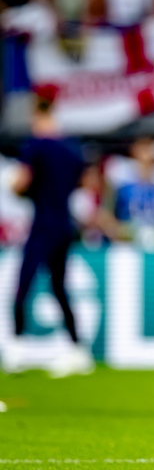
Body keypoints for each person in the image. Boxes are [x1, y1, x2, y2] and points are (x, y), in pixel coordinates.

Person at [2, 86, 95, 378]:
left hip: (43, 223)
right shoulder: (72, 149)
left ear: (38, 114)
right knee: (59, 287)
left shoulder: (35, 147)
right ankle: (78, 348)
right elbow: (85, 184)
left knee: (23, 284)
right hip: (65, 224)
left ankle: (15, 346)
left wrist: (18, 188)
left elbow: (21, 184)